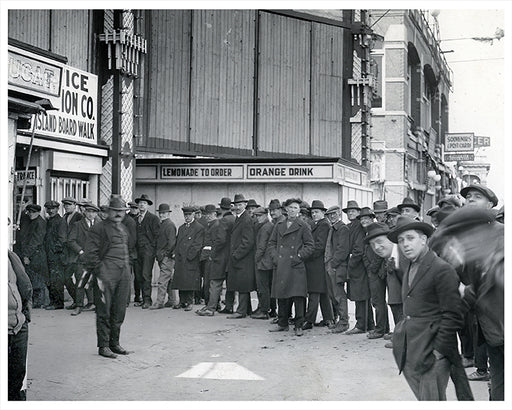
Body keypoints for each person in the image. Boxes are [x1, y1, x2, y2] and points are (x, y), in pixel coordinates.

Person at [431, 206, 503, 401]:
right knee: (498, 392)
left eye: (465, 237)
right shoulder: (479, 261)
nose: (463, 245)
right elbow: (470, 298)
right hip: (494, 340)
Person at [387, 216, 463, 401]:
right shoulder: (412, 266)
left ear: (423, 239)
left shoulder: (440, 268)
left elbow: (453, 314)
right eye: (401, 240)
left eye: (410, 238)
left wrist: (437, 351)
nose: (405, 244)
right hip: (411, 348)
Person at [84, 195, 132, 359]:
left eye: (122, 211)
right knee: (104, 310)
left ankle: (114, 343)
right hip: (106, 274)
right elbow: (91, 253)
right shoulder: (99, 228)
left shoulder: (124, 229)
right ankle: (103, 346)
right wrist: (101, 271)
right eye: (116, 211)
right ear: (109, 211)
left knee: (119, 310)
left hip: (123, 273)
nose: (119, 214)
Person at [268, 198, 314, 336]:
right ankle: (282, 323)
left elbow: (310, 246)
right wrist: (275, 258)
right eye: (290, 208)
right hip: (282, 265)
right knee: (281, 295)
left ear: (299, 210)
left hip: (296, 265)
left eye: (295, 208)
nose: (293, 210)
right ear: (286, 209)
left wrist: (298, 257)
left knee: (298, 296)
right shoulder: (279, 224)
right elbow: (271, 243)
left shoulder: (303, 226)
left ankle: (299, 325)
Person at [363, 223, 404, 348]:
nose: (376, 247)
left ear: (391, 239)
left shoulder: (405, 256)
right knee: (395, 301)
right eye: (372, 244)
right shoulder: (390, 256)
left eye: (380, 241)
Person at [303, 200, 334, 330]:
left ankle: (309, 320)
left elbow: (320, 246)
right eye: (313, 212)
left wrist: (306, 254)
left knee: (314, 292)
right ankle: (329, 319)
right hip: (317, 263)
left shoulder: (323, 225)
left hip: (317, 262)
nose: (314, 214)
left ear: (323, 213)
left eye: (317, 212)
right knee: (322, 292)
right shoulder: (316, 223)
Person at [196, 204, 231, 316]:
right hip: (211, 257)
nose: (207, 216)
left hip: (214, 258)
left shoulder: (216, 224)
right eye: (206, 214)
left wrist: (212, 254)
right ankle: (212, 305)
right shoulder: (211, 224)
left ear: (215, 214)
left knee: (212, 283)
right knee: (210, 283)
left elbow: (219, 242)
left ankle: (211, 307)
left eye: (210, 214)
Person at [345, 203, 374, 334]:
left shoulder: (357, 227)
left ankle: (361, 324)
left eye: (353, 211)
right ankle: (369, 324)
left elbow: (358, 249)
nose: (351, 214)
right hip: (360, 265)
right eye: (348, 211)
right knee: (362, 296)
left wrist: (350, 263)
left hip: (359, 266)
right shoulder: (355, 226)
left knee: (360, 295)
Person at [226, 194, 256, 319]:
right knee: (242, 284)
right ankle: (247, 309)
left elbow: (248, 241)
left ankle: (241, 311)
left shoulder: (246, 219)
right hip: (240, 258)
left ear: (245, 205)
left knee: (243, 285)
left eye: (240, 205)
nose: (238, 207)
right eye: (236, 205)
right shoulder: (240, 218)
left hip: (243, 259)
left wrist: (236, 255)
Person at [67, 202, 100, 315]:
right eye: (89, 212)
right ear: (84, 212)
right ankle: (79, 305)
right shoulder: (78, 225)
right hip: (82, 259)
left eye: (94, 212)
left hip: (96, 258)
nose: (91, 214)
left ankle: (96, 304)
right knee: (80, 282)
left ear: (96, 214)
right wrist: (80, 251)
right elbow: (71, 240)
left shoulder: (100, 225)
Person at [8, 249, 32, 400]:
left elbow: (25, 284)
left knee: (16, 381)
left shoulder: (9, 255)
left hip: (18, 327)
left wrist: (25, 317)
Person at [361, 209, 388, 340]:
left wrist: (372, 268)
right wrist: (368, 266)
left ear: (372, 219)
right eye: (362, 219)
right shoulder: (368, 234)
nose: (364, 221)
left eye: (366, 219)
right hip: (372, 271)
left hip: (377, 272)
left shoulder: (376, 233)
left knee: (378, 301)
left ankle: (380, 329)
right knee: (377, 301)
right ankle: (384, 328)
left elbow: (379, 254)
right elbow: (365, 254)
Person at [324, 205, 351, 334]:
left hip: (336, 266)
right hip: (331, 265)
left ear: (339, 214)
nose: (332, 216)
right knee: (333, 295)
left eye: (334, 214)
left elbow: (343, 249)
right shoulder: (333, 228)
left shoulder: (342, 228)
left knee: (339, 295)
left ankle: (344, 322)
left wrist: (333, 264)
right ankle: (340, 321)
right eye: (330, 215)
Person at [172, 206, 205, 310]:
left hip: (191, 259)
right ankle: (182, 301)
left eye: (189, 215)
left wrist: (190, 256)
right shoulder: (181, 228)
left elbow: (197, 245)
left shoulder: (199, 228)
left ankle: (190, 302)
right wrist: (176, 254)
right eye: (185, 215)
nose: (187, 217)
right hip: (181, 258)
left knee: (190, 281)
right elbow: (177, 242)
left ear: (193, 215)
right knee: (181, 280)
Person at [19, 204, 48, 308]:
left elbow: (35, 241)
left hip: (36, 254)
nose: (31, 214)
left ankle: (39, 301)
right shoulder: (32, 221)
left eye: (33, 212)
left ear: (38, 212)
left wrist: (26, 255)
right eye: (29, 212)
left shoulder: (40, 223)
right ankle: (37, 301)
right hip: (33, 253)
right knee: (34, 277)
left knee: (37, 278)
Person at [134, 194, 160, 309]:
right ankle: (141, 298)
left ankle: (147, 300)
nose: (141, 205)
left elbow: (156, 235)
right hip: (137, 251)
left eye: (144, 203)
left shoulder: (153, 218)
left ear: (148, 205)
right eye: (140, 203)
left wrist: (151, 248)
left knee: (145, 275)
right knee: (138, 276)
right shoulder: (135, 219)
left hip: (148, 251)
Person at [150, 203, 178, 309]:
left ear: (168, 214)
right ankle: (172, 300)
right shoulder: (164, 224)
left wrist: (165, 254)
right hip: (164, 256)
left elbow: (171, 243)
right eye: (160, 213)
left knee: (162, 281)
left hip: (166, 257)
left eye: (164, 213)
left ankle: (159, 302)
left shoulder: (169, 225)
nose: (162, 215)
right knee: (169, 279)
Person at [251, 207, 274, 320]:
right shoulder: (268, 226)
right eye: (256, 216)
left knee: (263, 287)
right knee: (266, 287)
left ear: (265, 215)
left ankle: (264, 310)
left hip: (263, 262)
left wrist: (256, 259)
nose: (257, 218)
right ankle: (265, 309)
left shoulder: (265, 227)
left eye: (259, 216)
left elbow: (261, 246)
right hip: (267, 262)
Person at [43, 200, 67, 310]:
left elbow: (62, 239)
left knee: (57, 280)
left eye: (53, 208)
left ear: (57, 209)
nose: (50, 210)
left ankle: (58, 303)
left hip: (56, 255)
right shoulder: (50, 220)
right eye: (48, 208)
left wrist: (54, 251)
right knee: (52, 279)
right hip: (49, 254)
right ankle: (53, 302)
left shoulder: (60, 221)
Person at [61, 197, 83, 310]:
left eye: (69, 205)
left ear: (75, 205)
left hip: (77, 253)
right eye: (65, 205)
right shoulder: (64, 217)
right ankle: (76, 300)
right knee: (66, 278)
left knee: (80, 279)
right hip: (67, 254)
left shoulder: (79, 217)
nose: (66, 207)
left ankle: (79, 303)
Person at [217, 197, 236, 314]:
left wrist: (215, 251)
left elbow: (221, 240)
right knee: (231, 283)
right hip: (233, 254)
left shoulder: (224, 220)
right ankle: (230, 305)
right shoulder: (234, 219)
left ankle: (227, 307)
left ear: (220, 208)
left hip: (224, 255)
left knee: (219, 280)